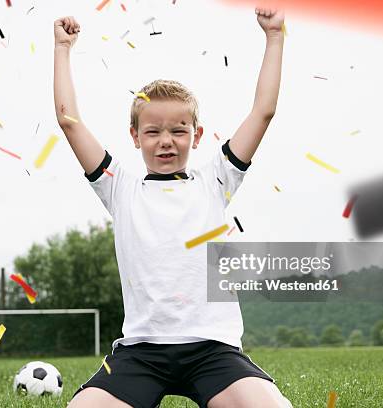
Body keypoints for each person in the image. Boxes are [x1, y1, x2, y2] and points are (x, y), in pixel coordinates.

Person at [54, 8, 292, 408]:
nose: (166, 140)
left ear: (196, 136)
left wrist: (274, 37)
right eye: (153, 131)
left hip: (212, 351)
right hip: (141, 353)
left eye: (178, 130)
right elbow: (69, 121)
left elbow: (263, 111)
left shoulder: (217, 180)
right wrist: (63, 48)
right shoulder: (120, 188)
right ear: (135, 136)